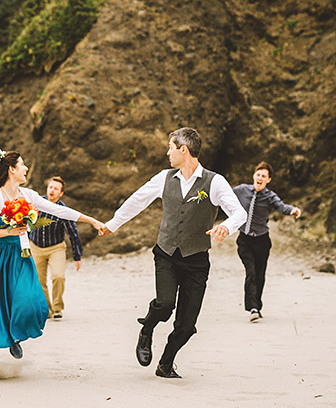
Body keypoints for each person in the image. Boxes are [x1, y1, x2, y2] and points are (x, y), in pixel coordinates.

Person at [99, 127, 247, 379]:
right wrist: (113, 224)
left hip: (197, 260)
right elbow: (137, 200)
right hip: (166, 253)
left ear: (184, 150)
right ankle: (147, 328)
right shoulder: (164, 178)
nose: (168, 153)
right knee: (165, 305)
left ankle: (165, 364)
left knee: (186, 325)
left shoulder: (214, 182)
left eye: (171, 148)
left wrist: (226, 226)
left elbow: (239, 213)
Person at [0, 150, 105, 371]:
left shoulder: (27, 195)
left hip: (18, 254)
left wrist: (92, 221)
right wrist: (8, 232)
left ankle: (15, 336)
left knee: (28, 299)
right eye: (22, 164)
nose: (25, 168)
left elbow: (58, 210)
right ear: (11, 169)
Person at [233, 161, 301, 322]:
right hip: (244, 240)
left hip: (262, 241)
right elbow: (224, 195)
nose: (260, 178)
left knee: (259, 274)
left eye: (264, 176)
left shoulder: (270, 196)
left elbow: (281, 207)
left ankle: (257, 306)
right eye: (258, 174)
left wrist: (293, 210)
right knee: (251, 272)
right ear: (254, 175)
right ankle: (253, 307)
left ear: (268, 180)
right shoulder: (241, 190)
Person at [30, 176, 84, 320]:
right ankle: (47, 309)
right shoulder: (36, 203)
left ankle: (57, 308)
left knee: (58, 276)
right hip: (35, 247)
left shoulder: (63, 210)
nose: (52, 190)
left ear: (61, 193)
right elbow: (26, 222)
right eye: (51, 187)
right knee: (39, 280)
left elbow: (73, 233)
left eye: (56, 189)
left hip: (56, 248)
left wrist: (77, 256)